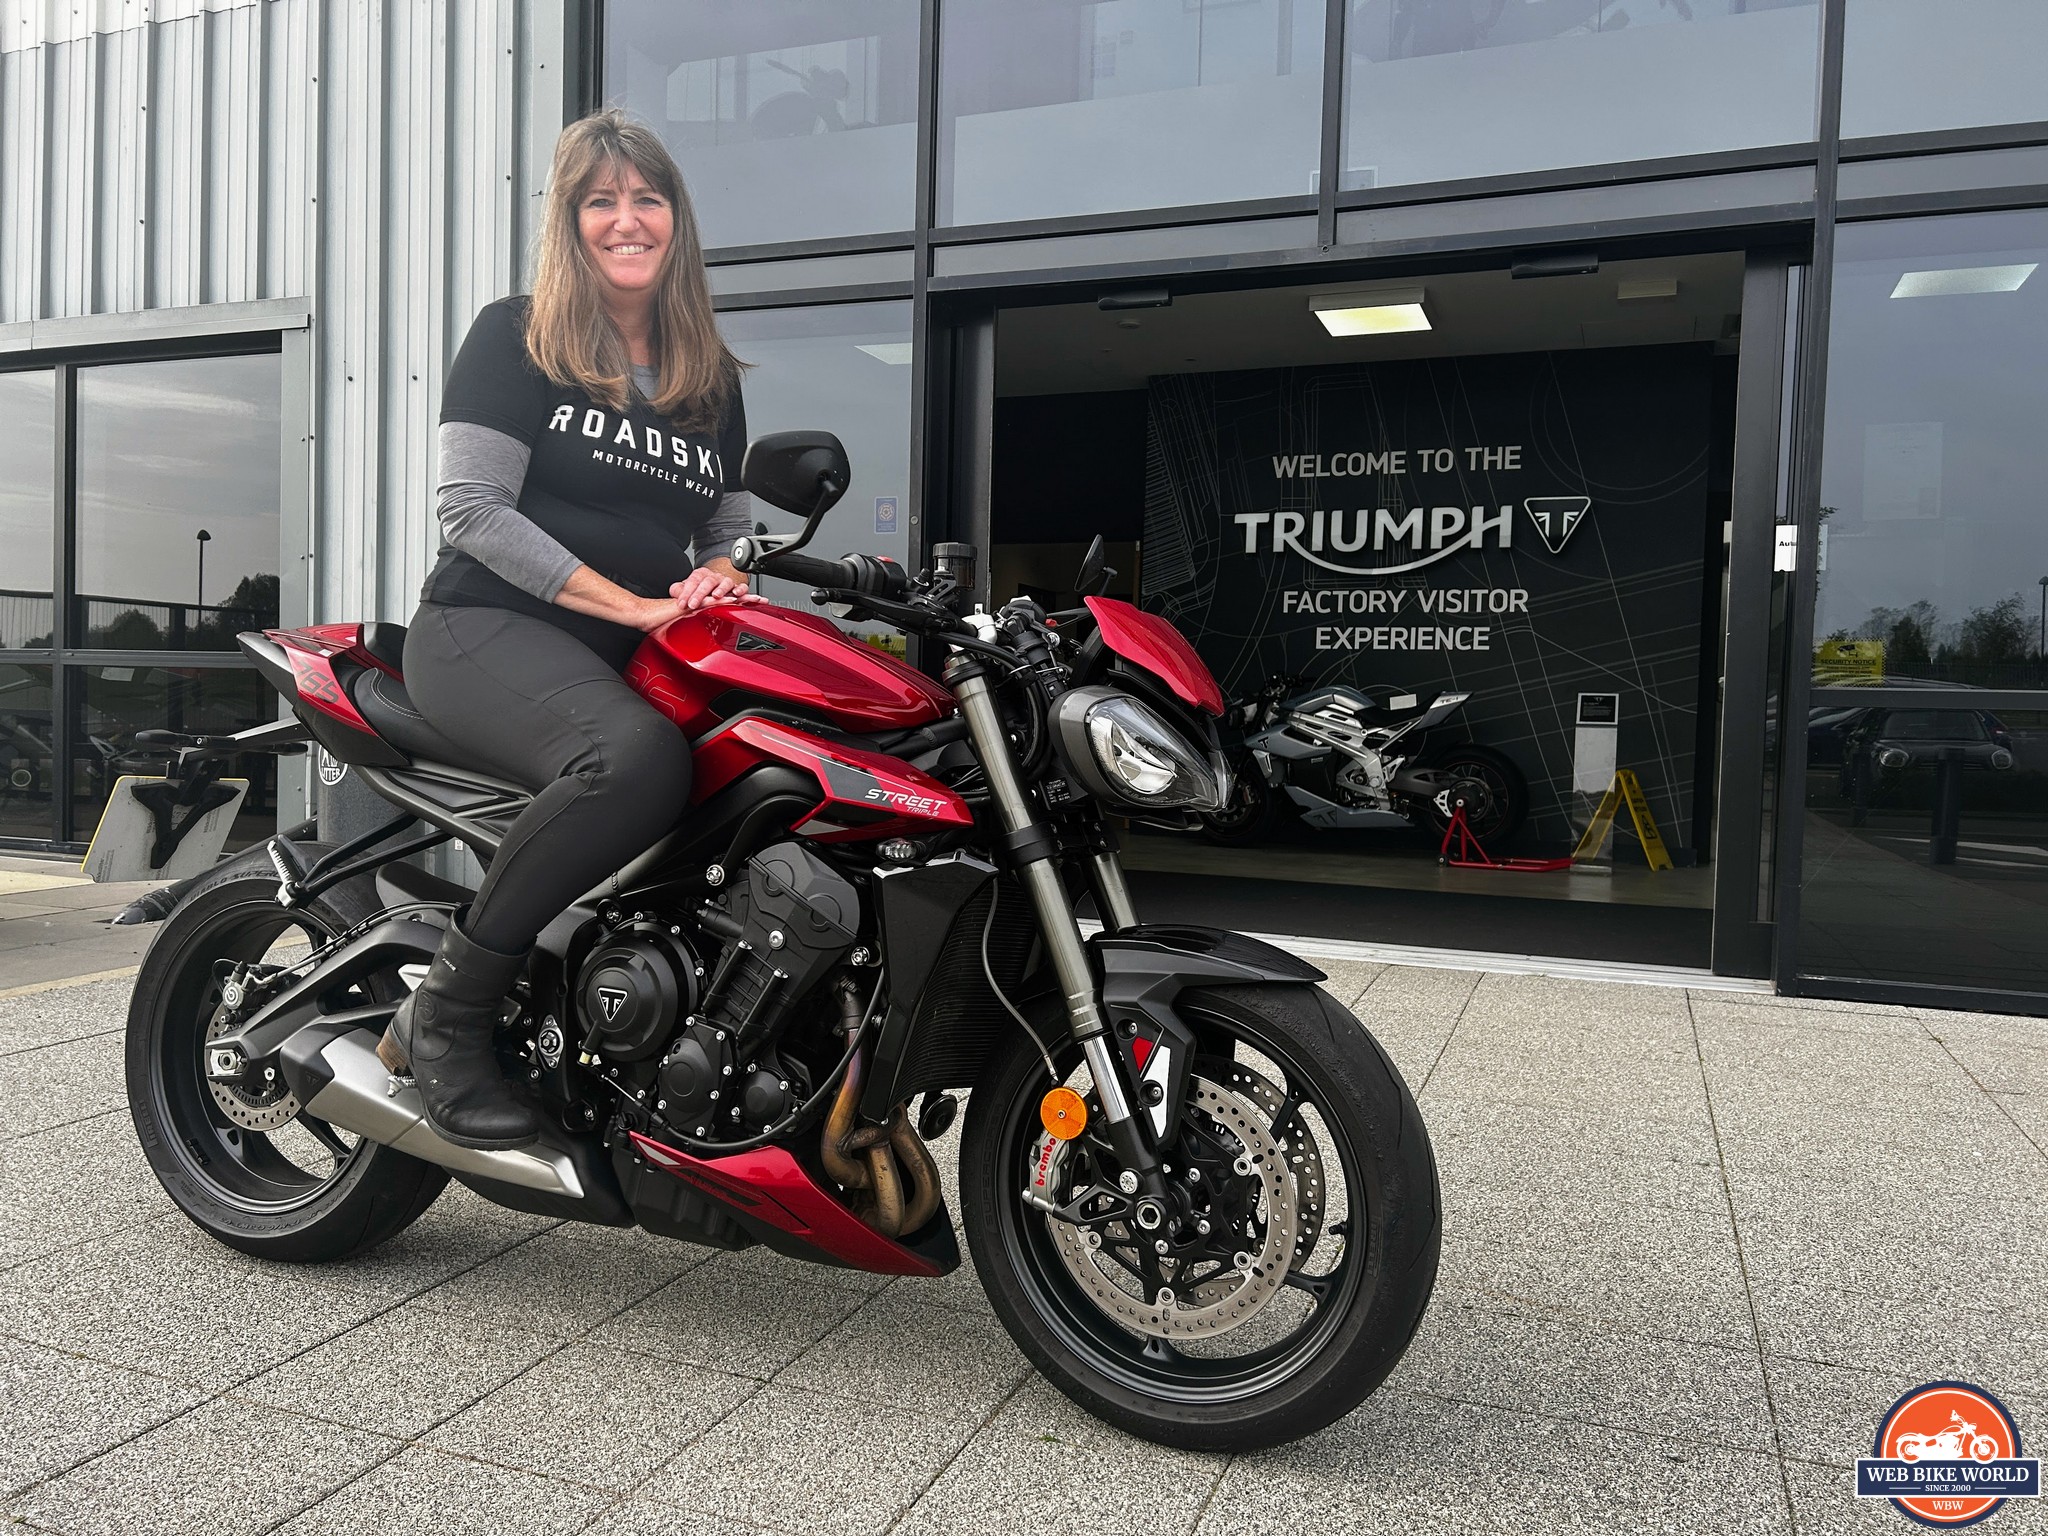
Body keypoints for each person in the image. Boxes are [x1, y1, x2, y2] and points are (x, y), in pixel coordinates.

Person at [376, 110, 757, 1150]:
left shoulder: (706, 378)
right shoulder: (518, 336)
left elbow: (726, 529)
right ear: (570, 218)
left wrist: (723, 572)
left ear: (674, 220)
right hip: (482, 627)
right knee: (632, 762)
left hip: (619, 653)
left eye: (646, 199)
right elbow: (472, 511)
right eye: (602, 200)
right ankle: (442, 1018)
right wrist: (635, 602)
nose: (625, 220)